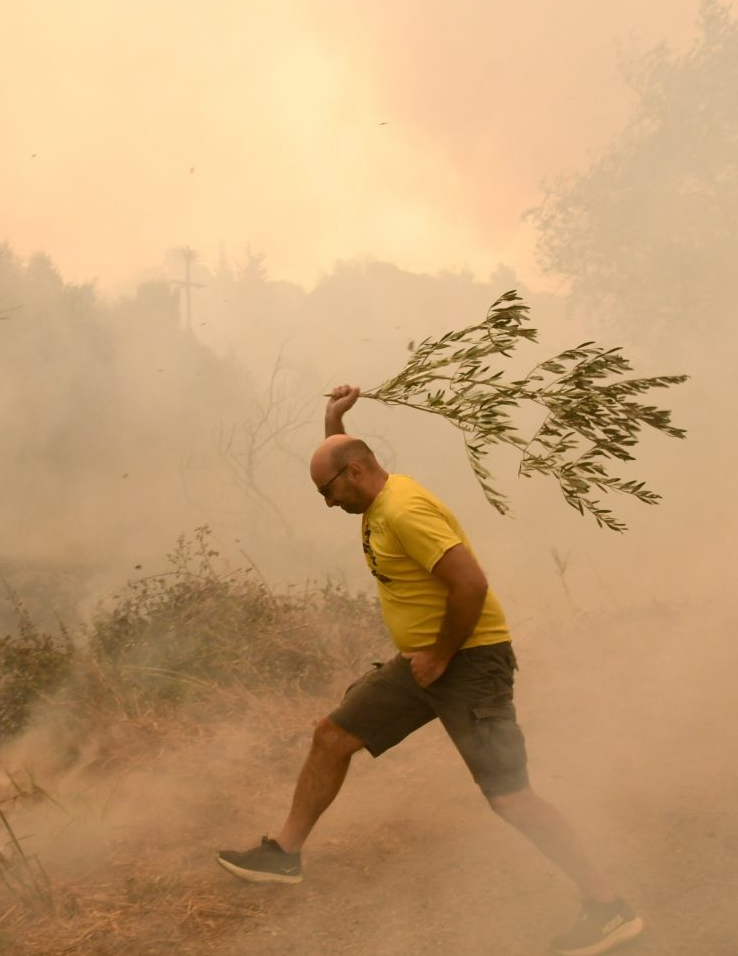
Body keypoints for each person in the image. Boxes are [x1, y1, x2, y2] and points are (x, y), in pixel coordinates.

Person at [216, 385, 644, 956]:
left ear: (358, 472)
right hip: (423, 663)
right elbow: (343, 459)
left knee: (511, 798)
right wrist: (333, 421)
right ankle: (284, 856)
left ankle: (609, 907)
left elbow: (471, 584)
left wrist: (441, 655)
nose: (327, 503)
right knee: (332, 736)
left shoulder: (405, 510)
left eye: (328, 491)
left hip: (467, 661)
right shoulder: (372, 493)